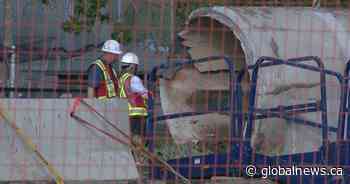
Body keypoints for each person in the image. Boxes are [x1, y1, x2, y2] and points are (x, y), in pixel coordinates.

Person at [118, 52, 150, 144]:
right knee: (139, 139)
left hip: (126, 112)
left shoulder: (121, 79)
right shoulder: (134, 79)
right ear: (133, 66)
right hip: (137, 113)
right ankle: (141, 154)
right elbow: (145, 94)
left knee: (129, 137)